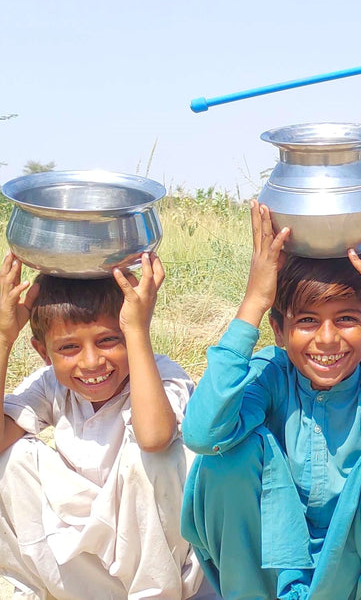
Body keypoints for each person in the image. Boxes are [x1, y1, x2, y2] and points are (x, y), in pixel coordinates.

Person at [181, 204, 361, 600]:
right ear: (279, 330)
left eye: (347, 320)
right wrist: (254, 301)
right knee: (225, 457)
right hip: (272, 571)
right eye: (306, 321)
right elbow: (201, 434)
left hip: (354, 575)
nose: (327, 339)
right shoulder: (272, 374)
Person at [0, 252, 211, 599]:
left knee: (153, 458)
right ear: (43, 352)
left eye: (109, 340)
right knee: (11, 459)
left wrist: (136, 330)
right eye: (68, 348)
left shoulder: (163, 375)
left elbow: (155, 438)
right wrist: (4, 338)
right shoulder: (51, 385)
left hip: (161, 572)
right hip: (89, 569)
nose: (92, 361)